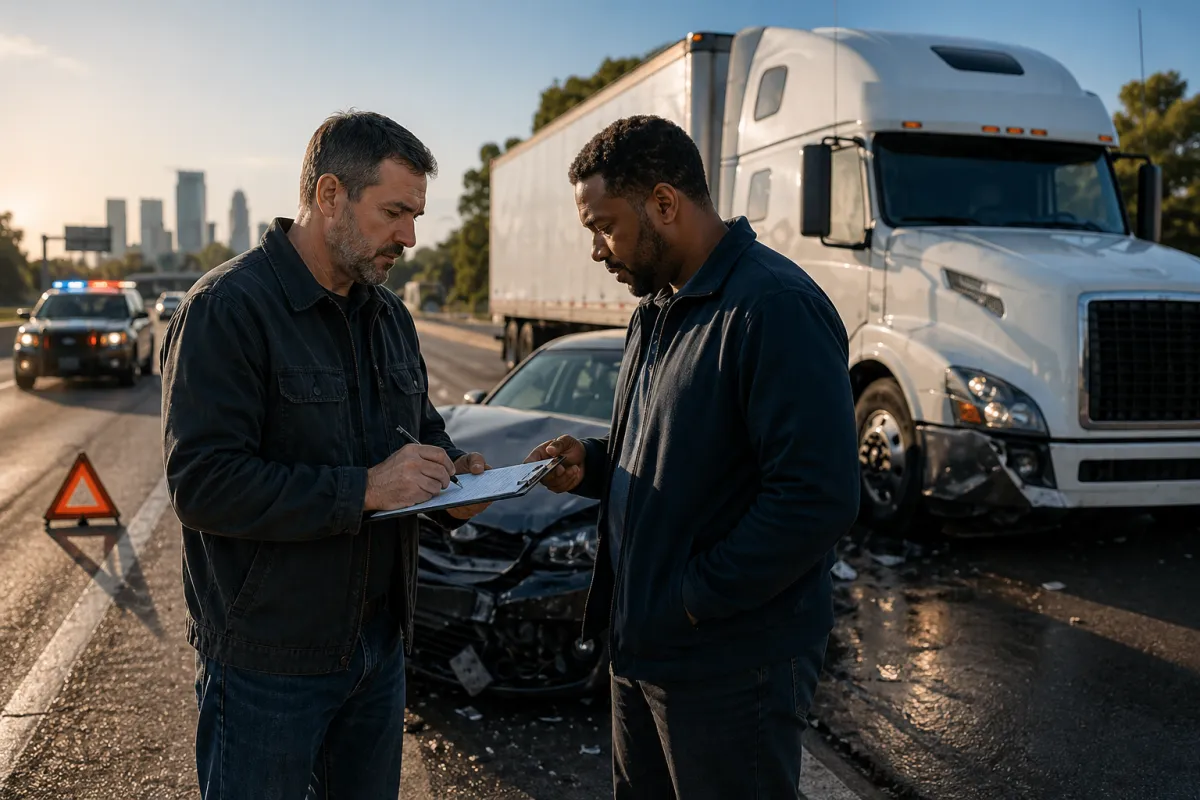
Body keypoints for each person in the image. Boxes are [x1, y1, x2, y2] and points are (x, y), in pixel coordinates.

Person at [526, 115, 861, 799]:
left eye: (604, 226)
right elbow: (668, 445)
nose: (597, 250)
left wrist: (690, 599)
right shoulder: (656, 306)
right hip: (645, 651)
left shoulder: (774, 306)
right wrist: (593, 464)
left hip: (729, 669)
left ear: (665, 204)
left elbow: (816, 497)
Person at [160, 111, 490, 800]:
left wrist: (454, 479)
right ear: (331, 195)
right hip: (267, 662)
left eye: (416, 215)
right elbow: (203, 484)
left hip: (378, 651)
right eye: (395, 212)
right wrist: (365, 489)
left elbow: (419, 434)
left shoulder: (390, 316)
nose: (410, 236)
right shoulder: (230, 308)